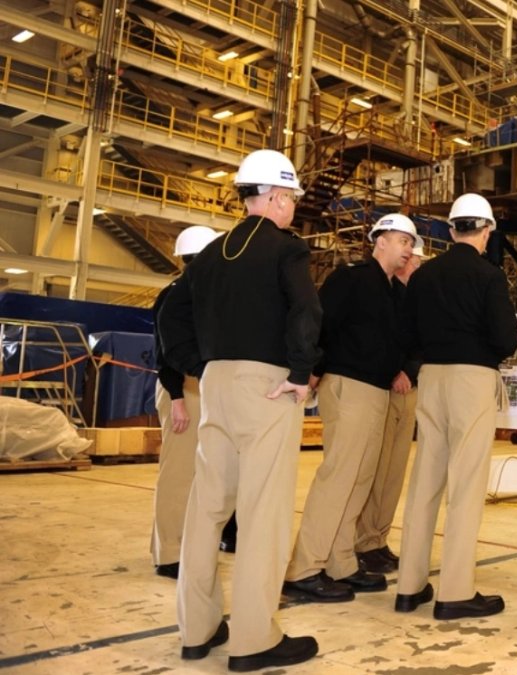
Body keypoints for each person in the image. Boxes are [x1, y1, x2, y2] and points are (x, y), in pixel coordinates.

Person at [158, 148, 321, 671]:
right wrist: (300, 372)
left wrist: (198, 365)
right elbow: (306, 309)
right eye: (291, 196)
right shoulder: (285, 249)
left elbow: (170, 316)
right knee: (262, 513)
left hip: (217, 384)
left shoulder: (210, 254)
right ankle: (253, 639)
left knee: (207, 509)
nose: (293, 205)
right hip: (266, 386)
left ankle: (197, 629)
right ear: (275, 195)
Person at [392, 193, 517, 620]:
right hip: (471, 380)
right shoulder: (489, 276)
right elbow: (506, 338)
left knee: (425, 481)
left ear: (451, 230)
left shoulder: (424, 276)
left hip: (432, 379)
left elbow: (406, 334)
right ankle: (455, 592)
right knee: (465, 484)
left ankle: (409, 587)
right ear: (486, 231)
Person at [282, 213, 419, 602]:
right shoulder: (352, 277)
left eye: (411, 243)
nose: (408, 249)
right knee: (339, 477)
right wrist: (311, 370)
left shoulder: (391, 289)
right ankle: (304, 568)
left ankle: (340, 562)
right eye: (403, 240)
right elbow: (321, 323)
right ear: (380, 241)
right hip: (350, 385)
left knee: (359, 480)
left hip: (375, 390)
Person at [150, 225, 221, 580]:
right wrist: (177, 397)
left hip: (201, 386)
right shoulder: (177, 295)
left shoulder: (201, 293)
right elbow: (164, 352)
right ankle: (169, 553)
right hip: (182, 387)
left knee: (200, 474)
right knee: (178, 474)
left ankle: (189, 546)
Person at [356, 244, 425, 575]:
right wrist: (399, 371)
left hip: (410, 387)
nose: (415, 266)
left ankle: (378, 539)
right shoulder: (387, 292)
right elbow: (386, 338)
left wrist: (411, 372)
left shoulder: (414, 296)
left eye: (418, 261)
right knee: (378, 470)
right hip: (390, 385)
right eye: (412, 261)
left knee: (394, 473)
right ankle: (365, 541)